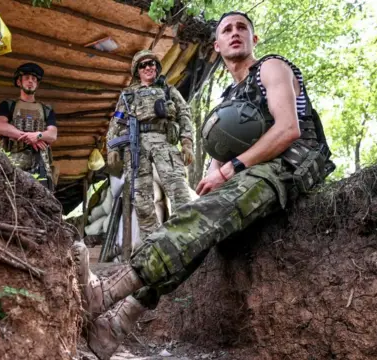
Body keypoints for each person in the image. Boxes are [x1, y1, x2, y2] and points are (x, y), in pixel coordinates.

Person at [73, 11, 335, 359]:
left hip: (290, 163)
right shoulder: (227, 96)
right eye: (227, 29)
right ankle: (113, 327)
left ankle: (103, 294)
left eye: (243, 27)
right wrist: (211, 179)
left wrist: (228, 172)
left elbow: (288, 129)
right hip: (250, 171)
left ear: (254, 39)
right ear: (217, 45)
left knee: (201, 216)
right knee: (195, 224)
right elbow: (219, 153)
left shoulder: (272, 68)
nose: (235, 33)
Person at [106, 49, 195, 243]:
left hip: (164, 143)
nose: (148, 67)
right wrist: (112, 148)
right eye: (143, 65)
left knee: (179, 192)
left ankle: (188, 239)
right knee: (142, 201)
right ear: (137, 71)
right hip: (136, 147)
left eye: (151, 63)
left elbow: (185, 115)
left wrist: (187, 143)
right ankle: (153, 246)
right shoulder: (128, 96)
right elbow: (116, 122)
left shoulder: (169, 90)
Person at [0, 62, 58, 190]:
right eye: (27, 78)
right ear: (19, 82)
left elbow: (52, 134)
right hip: (12, 162)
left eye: (34, 79)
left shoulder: (46, 109)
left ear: (37, 84)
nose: (30, 81)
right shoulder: (8, 105)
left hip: (40, 165)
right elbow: (0, 125)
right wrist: (28, 137)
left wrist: (38, 135)